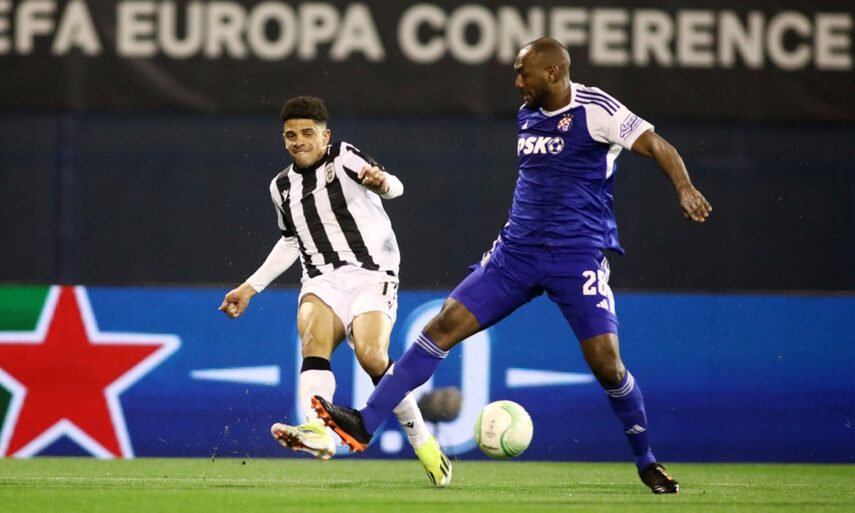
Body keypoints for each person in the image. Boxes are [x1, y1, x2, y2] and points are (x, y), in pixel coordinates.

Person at [312, 38, 712, 494]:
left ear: (553, 73)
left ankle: (646, 461)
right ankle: (365, 422)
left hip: (575, 256)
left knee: (607, 364)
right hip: (515, 255)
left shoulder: (596, 108)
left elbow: (657, 144)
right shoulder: (527, 113)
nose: (518, 82)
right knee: (444, 324)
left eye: (524, 72)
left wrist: (684, 187)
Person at [219, 96, 451, 487]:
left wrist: (382, 182)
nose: (298, 141)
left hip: (370, 272)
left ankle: (423, 441)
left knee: (372, 356)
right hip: (321, 279)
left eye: (307, 133)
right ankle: (318, 431)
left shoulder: (343, 157)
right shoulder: (281, 187)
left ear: (325, 136)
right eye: (290, 135)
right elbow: (291, 241)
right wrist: (250, 287)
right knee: (313, 340)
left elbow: (395, 187)